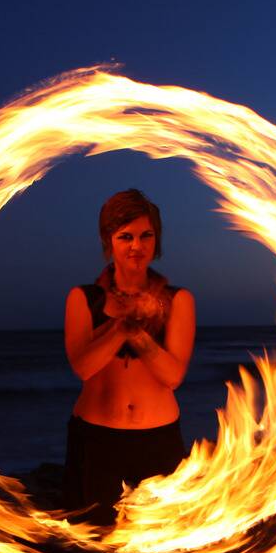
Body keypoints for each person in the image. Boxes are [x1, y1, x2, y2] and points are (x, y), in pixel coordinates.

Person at [62, 189, 196, 524]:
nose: (136, 246)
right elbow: (83, 366)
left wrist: (139, 333)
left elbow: (172, 376)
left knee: (160, 549)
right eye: (126, 237)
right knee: (94, 547)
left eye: (145, 235)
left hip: (159, 440)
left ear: (157, 239)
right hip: (96, 441)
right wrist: (123, 325)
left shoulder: (178, 301)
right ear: (109, 240)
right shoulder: (83, 299)